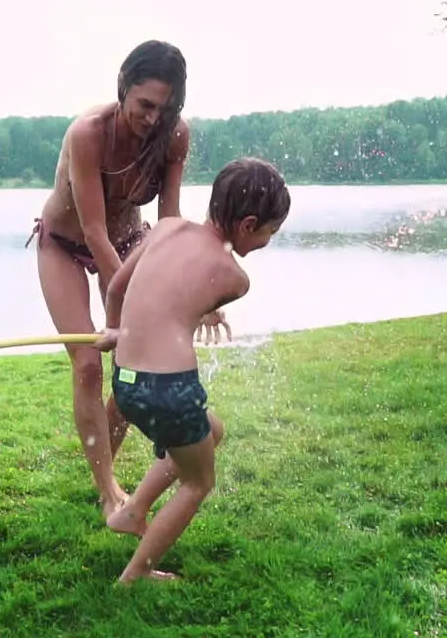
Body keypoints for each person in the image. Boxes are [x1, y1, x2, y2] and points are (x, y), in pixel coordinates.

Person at [92, 157, 292, 583]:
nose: (267, 242)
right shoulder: (235, 277)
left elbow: (121, 287)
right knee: (198, 482)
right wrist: (208, 312)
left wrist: (115, 331)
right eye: (269, 232)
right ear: (248, 224)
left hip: (126, 381)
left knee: (210, 431)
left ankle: (132, 512)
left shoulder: (166, 228)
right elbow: (190, 297)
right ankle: (136, 576)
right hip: (170, 388)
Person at [25, 40, 190, 522]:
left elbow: (169, 222)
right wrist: (132, 297)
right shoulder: (87, 134)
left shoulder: (175, 137)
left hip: (127, 245)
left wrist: (175, 284)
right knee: (88, 364)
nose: (154, 118)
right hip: (66, 246)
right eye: (145, 105)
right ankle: (107, 492)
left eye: (166, 107)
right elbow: (93, 228)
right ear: (123, 89)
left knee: (132, 365)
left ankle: (105, 468)